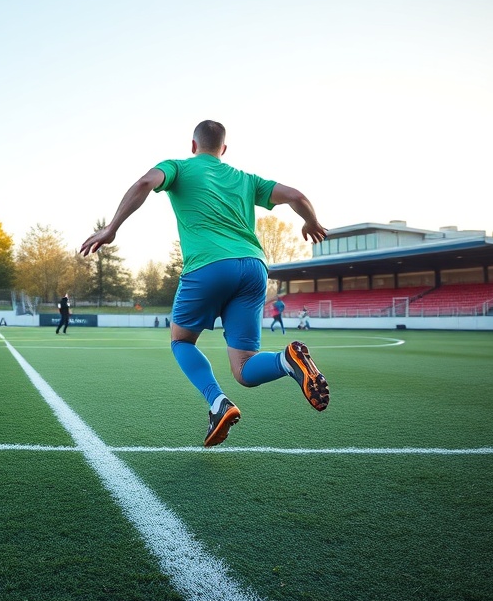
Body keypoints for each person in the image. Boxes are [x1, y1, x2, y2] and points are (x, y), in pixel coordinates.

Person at [80, 119, 330, 448]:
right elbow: (296, 195)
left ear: (193, 145)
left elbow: (144, 183)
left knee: (181, 341)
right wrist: (311, 222)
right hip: (254, 268)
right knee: (244, 368)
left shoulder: (178, 167)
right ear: (223, 149)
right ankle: (287, 360)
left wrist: (111, 228)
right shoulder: (246, 179)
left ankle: (217, 402)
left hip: (208, 265)